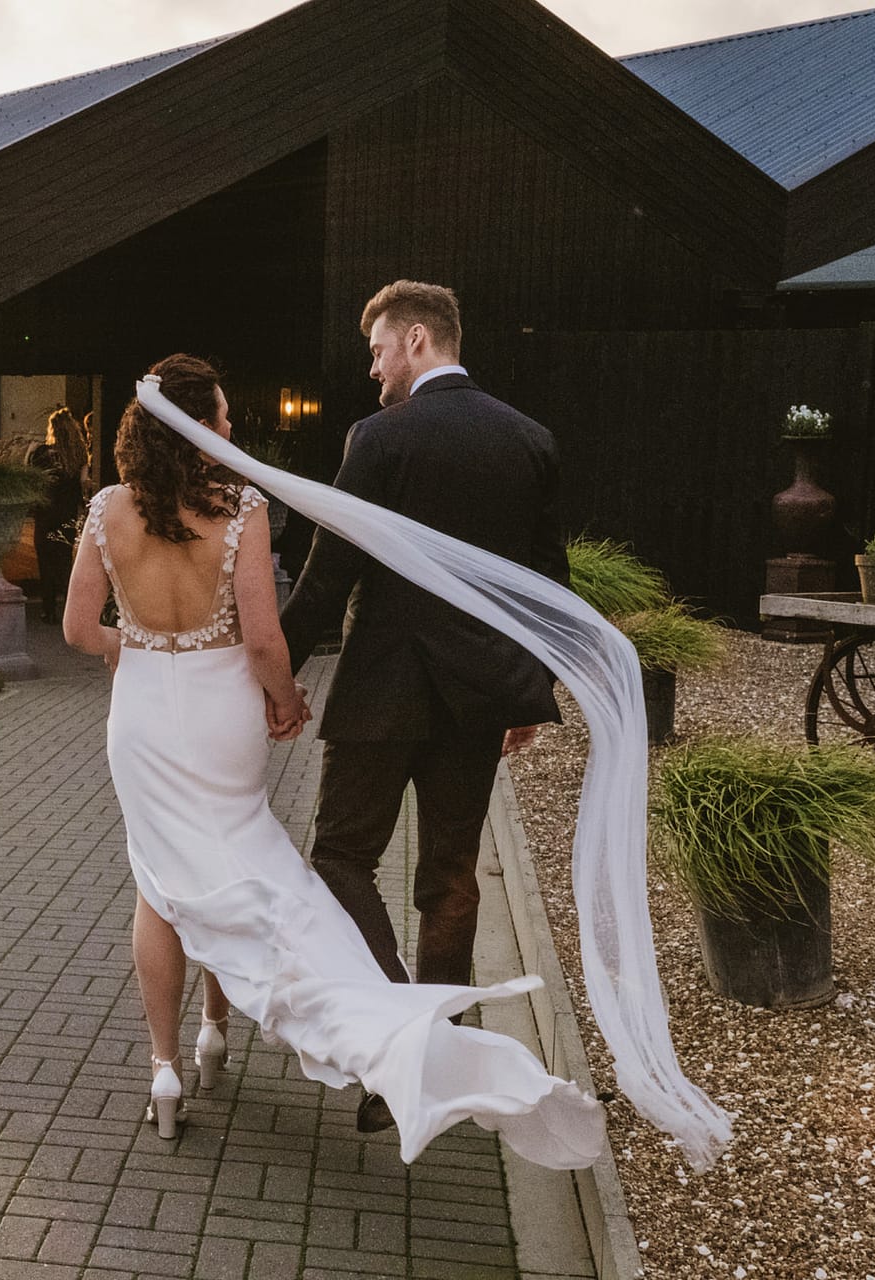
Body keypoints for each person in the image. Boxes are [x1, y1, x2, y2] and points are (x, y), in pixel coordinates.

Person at [64, 352, 603, 1168]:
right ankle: (250, 1029)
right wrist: (284, 699)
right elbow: (265, 636)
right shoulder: (240, 509)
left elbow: (76, 630)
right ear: (193, 426)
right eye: (222, 418)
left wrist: (129, 650)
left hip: (141, 717)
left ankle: (169, 1069)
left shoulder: (106, 510)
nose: (233, 430)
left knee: (162, 881)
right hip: (222, 711)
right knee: (239, 860)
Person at [278, 280, 569, 1133]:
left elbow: (330, 573)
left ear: (414, 340)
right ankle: (440, 1049)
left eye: (375, 353)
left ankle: (407, 1034)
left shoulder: (380, 438)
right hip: (480, 697)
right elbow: (547, 583)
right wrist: (531, 688)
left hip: (385, 690)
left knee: (338, 856)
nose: (372, 374)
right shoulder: (531, 440)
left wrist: (268, 674)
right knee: (449, 880)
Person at [29, 407, 89, 623]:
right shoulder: (79, 456)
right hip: (67, 514)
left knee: (45, 562)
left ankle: (48, 609)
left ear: (52, 429)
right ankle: (71, 610)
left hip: (45, 514)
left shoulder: (41, 454)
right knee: (64, 561)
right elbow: (84, 484)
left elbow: (33, 483)